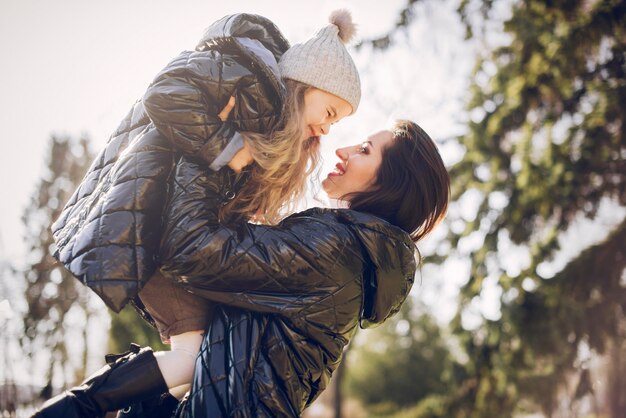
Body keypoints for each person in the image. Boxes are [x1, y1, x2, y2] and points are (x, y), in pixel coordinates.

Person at [34, 10, 361, 418]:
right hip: (148, 221)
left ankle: (84, 409)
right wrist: (226, 146)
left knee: (196, 361)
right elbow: (164, 94)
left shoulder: (264, 113)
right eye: (329, 113)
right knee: (196, 360)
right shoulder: (247, 75)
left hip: (160, 231)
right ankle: (77, 408)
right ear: (307, 84)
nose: (328, 130)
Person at [155, 119, 450, 417]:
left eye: (364, 150)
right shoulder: (354, 258)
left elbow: (195, 248)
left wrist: (211, 153)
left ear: (389, 184)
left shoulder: (338, 250)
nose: (342, 151)